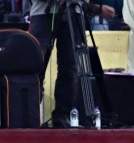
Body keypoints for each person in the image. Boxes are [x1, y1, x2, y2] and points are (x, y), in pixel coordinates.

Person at [28, 0, 115, 128]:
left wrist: (96, 8)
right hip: (44, 12)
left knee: (70, 67)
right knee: (35, 65)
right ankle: (28, 114)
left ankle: (63, 116)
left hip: (74, 11)